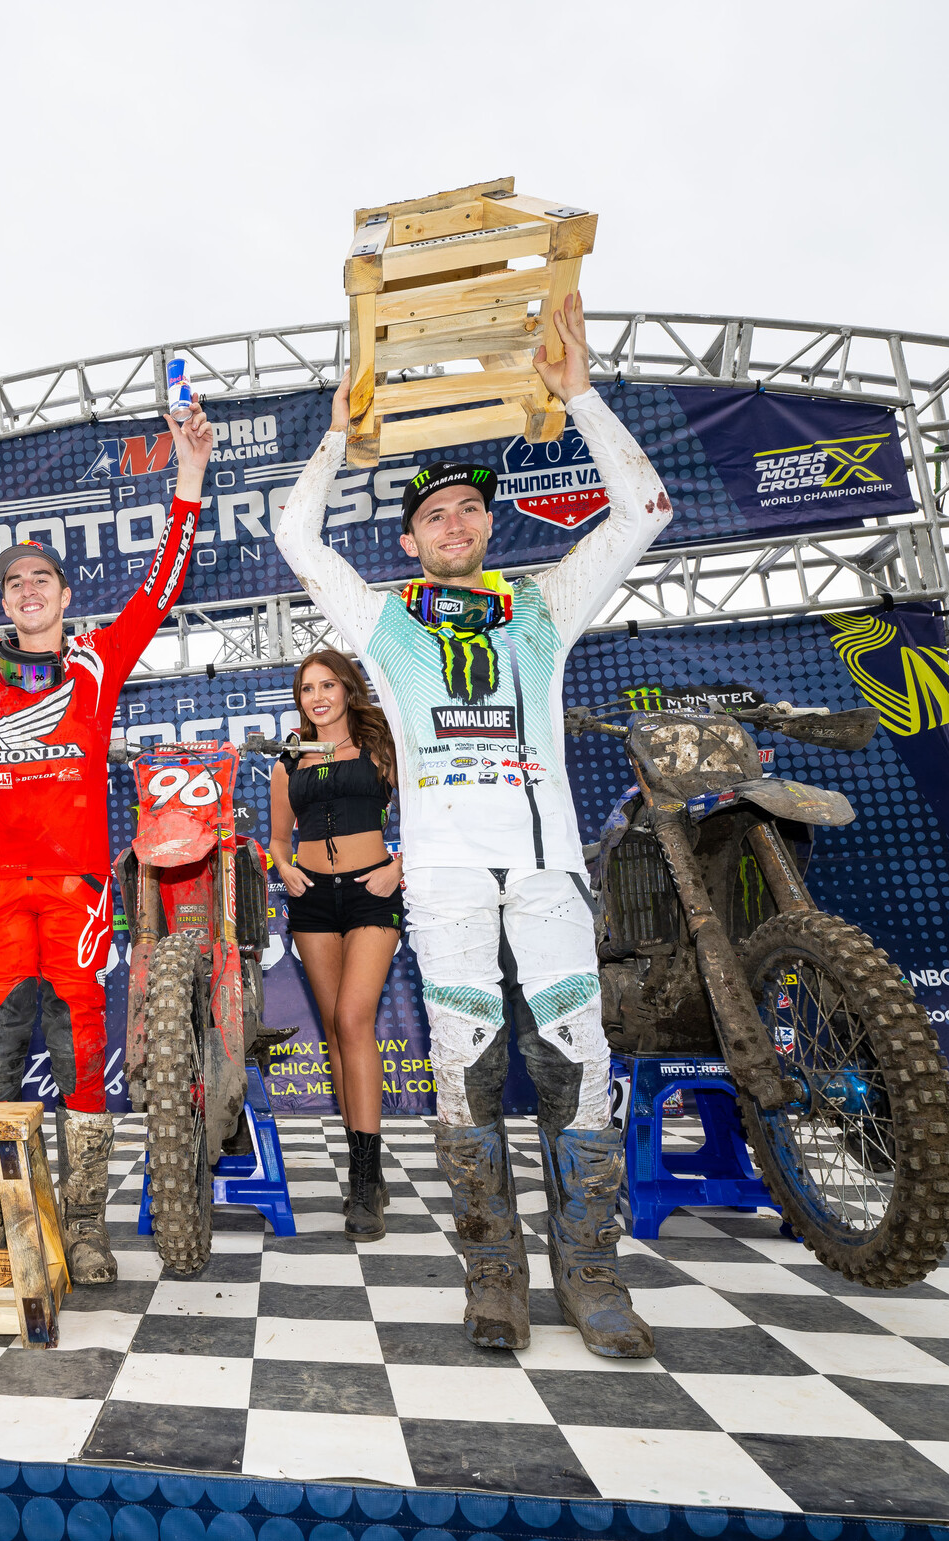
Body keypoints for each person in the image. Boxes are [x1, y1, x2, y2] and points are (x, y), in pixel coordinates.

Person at [269, 293, 675, 1358]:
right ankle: (492, 1276)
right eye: (435, 515)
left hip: (544, 873)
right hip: (446, 881)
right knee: (467, 1064)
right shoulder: (385, 620)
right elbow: (292, 533)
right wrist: (335, 432)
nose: (455, 523)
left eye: (469, 511)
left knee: (577, 1060)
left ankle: (591, 1276)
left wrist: (580, 391)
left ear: (489, 526)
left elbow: (644, 513)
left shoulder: (544, 605)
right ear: (408, 538)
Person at [0, 407, 214, 1283]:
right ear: (5, 603)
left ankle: (89, 1228)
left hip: (77, 897)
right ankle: (1, 1214)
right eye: (13, 581)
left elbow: (162, 586)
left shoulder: (99, 662)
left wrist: (188, 478)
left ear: (66, 597)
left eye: (41, 578)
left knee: (79, 1054)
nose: (26, 588)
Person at [269, 649, 403, 1241]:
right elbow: (276, 838)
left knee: (354, 1018)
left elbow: (427, 812)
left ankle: (364, 1175)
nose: (317, 697)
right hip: (312, 901)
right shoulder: (287, 761)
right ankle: (367, 1181)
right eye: (306, 689)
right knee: (333, 1026)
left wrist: (399, 865)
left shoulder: (380, 748)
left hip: (372, 893)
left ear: (348, 690)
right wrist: (284, 867)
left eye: (328, 685)